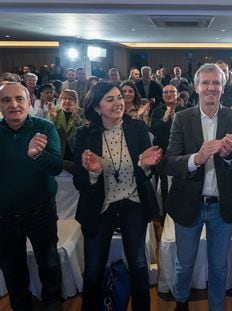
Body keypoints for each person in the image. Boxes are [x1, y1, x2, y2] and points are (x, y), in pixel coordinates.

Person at [158, 63, 232, 311]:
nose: (212, 87)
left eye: (217, 83)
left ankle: (217, 307)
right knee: (185, 262)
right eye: (206, 83)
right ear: (197, 87)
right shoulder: (182, 117)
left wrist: (230, 155)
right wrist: (196, 159)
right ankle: (181, 302)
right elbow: (169, 162)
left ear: (223, 88)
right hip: (188, 203)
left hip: (223, 206)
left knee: (219, 265)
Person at [72, 82, 163, 311]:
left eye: (119, 97)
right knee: (93, 269)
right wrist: (93, 174)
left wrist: (145, 167)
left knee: (139, 265)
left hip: (133, 202)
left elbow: (145, 171)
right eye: (110, 99)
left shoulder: (137, 128)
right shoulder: (84, 134)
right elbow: (79, 182)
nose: (118, 103)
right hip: (99, 206)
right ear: (96, 107)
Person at [0, 82, 63, 310]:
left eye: (18, 98)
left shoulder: (45, 128)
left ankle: (52, 302)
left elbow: (56, 167)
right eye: (6, 100)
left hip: (41, 211)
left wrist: (37, 155)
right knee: (12, 269)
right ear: (0, 105)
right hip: (4, 217)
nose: (13, 104)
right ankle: (22, 304)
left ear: (29, 102)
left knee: (49, 264)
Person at [48, 89, 86, 173]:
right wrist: (53, 119)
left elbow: (85, 131)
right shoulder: (55, 112)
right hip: (61, 150)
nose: (67, 101)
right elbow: (51, 133)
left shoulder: (82, 112)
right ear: (60, 100)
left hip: (76, 150)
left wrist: (76, 118)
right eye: (64, 98)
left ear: (76, 101)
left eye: (70, 99)